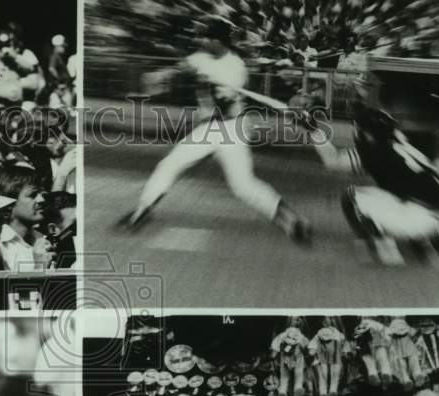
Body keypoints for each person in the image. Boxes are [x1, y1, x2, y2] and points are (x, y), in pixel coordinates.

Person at [121, 17, 311, 243]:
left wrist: (210, 83)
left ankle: (292, 219)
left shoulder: (235, 68)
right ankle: (142, 211)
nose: (199, 40)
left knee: (243, 186)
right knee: (169, 165)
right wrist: (163, 75)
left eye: (204, 37)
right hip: (209, 129)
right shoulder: (203, 57)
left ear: (217, 41)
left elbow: (224, 108)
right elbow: (185, 67)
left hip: (231, 128)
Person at [0, 167, 54, 271]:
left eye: (41, 194)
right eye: (33, 195)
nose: (41, 199)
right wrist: (39, 268)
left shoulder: (42, 237)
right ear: (9, 203)